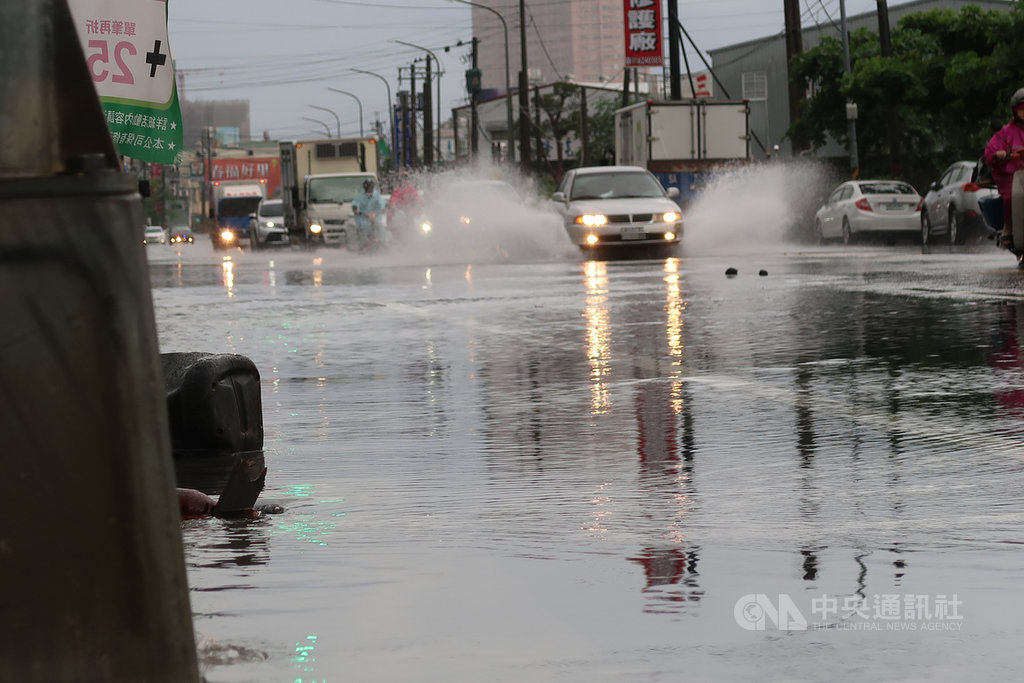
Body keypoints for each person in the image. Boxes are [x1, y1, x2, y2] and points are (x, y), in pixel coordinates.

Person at [984, 88, 1024, 252]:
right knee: (1010, 196)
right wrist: (998, 155)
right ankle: (1008, 228)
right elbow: (989, 153)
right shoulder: (1005, 133)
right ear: (1015, 111)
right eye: (1022, 109)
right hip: (1012, 177)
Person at [351, 178, 387, 251]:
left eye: (371, 187)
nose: (369, 189)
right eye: (367, 187)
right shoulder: (360, 196)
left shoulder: (377, 195)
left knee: (380, 226)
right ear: (364, 188)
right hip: (363, 217)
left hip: (375, 216)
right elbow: (355, 203)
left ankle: (383, 243)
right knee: (364, 227)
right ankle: (362, 245)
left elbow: (382, 203)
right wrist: (356, 210)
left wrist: (383, 209)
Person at [386, 171, 422, 240]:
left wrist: (419, 203)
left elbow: (417, 198)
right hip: (399, 213)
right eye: (402, 178)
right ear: (400, 180)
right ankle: (397, 239)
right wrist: (393, 206)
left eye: (405, 178)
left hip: (410, 213)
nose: (404, 180)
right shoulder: (396, 191)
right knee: (396, 225)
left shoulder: (412, 189)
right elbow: (393, 200)